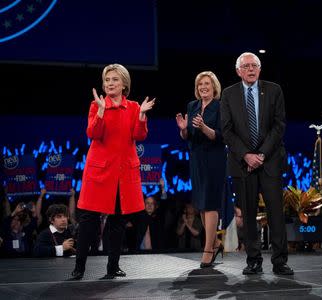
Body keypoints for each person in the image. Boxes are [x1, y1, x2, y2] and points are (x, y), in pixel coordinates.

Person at [70, 63, 155, 280]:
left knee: (117, 222)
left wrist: (143, 116)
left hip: (123, 173)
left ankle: (113, 267)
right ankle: (79, 268)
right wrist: (100, 110)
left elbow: (140, 136)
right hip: (99, 172)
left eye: (114, 79)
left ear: (124, 83)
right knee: (88, 221)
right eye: (107, 80)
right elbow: (93, 134)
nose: (110, 84)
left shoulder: (135, 107)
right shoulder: (95, 105)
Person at [220, 52, 293, 275]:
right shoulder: (228, 93)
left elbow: (279, 125)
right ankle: (253, 260)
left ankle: (280, 261)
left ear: (260, 69)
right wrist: (247, 155)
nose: (251, 69)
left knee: (276, 214)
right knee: (248, 214)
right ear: (238, 71)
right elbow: (227, 130)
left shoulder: (273, 90)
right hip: (243, 165)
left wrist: (260, 154)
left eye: (254, 65)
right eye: (246, 66)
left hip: (269, 161)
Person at [176, 71, 226, 268]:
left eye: (207, 84)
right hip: (197, 158)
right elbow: (188, 137)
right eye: (200, 85)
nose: (203, 87)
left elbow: (222, 136)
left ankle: (208, 249)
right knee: (201, 204)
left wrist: (204, 128)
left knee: (211, 203)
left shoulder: (221, 107)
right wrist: (183, 129)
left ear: (214, 86)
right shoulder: (192, 106)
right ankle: (215, 243)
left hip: (214, 158)